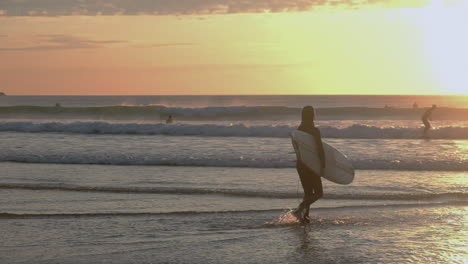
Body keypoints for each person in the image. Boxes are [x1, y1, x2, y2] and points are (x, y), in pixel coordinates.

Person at [291, 106, 325, 223]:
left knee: (308, 193)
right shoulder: (314, 130)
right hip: (312, 165)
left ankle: (304, 217)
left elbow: (297, 149)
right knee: (319, 193)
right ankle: (300, 209)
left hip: (301, 164)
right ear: (312, 116)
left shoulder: (298, 130)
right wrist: (323, 164)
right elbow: (319, 149)